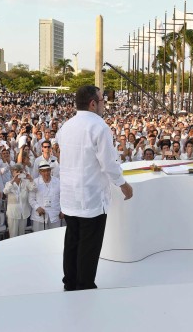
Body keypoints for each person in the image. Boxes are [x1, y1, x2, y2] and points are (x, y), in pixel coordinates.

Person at [58, 85, 133, 291]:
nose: (104, 105)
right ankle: (85, 285)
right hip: (91, 196)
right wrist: (123, 184)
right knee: (89, 245)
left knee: (72, 241)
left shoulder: (66, 126)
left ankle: (70, 282)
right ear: (93, 104)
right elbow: (108, 163)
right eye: (102, 101)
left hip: (70, 196)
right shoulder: (99, 126)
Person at [3, 164, 35, 237]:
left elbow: (34, 189)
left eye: (20, 171)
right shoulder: (9, 183)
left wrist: (30, 179)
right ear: (12, 172)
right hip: (13, 213)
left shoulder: (26, 182)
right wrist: (13, 180)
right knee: (13, 235)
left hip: (24, 213)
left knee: (22, 235)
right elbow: (5, 191)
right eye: (16, 171)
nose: (19, 173)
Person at [29, 161, 62, 232]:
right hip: (39, 216)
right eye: (43, 171)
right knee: (39, 239)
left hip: (55, 214)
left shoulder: (57, 181)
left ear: (50, 170)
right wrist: (37, 208)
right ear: (40, 172)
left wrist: (62, 210)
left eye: (48, 170)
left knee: (55, 238)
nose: (46, 173)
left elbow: (62, 197)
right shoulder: (35, 182)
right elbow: (31, 199)